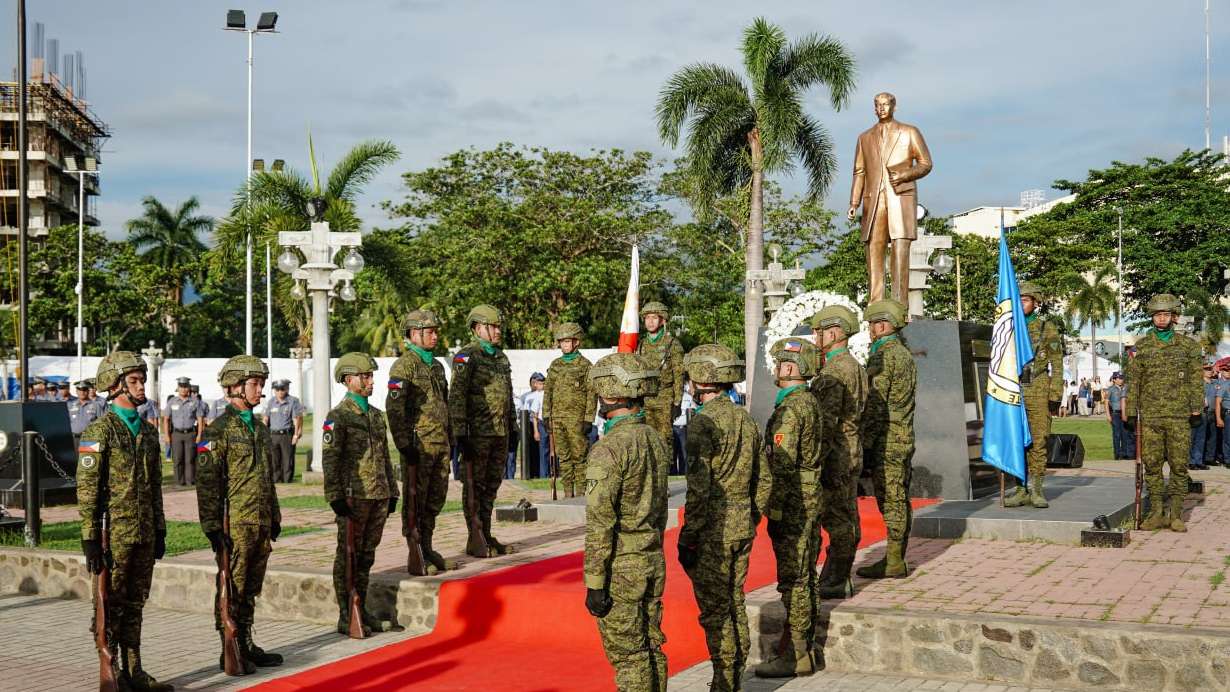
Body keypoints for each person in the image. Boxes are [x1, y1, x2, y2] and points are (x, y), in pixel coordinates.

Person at [76, 351, 172, 691]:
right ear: (115, 387)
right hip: (112, 534)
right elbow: (87, 489)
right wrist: (89, 537)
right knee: (109, 604)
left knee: (135, 603)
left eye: (142, 379)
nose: (142, 385)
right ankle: (110, 668)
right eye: (134, 380)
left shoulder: (147, 433)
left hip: (143, 531)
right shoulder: (98, 431)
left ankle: (135, 670)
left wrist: (160, 528)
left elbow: (156, 486)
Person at [678, 344, 769, 691]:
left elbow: (699, 490)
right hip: (742, 524)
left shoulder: (703, 423)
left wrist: (688, 537)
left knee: (716, 611)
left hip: (714, 531)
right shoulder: (745, 419)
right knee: (734, 600)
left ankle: (725, 680)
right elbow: (764, 478)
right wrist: (751, 514)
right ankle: (733, 675)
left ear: (702, 380)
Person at [583, 352, 670, 691]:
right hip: (651, 557)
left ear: (609, 394)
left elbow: (600, 524)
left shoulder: (608, 449)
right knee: (651, 647)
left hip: (621, 566)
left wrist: (594, 581)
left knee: (629, 657)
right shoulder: (654, 438)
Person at [196, 355, 284, 673]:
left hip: (258, 521)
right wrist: (211, 526)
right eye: (255, 384)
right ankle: (229, 648)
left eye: (261, 384)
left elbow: (267, 478)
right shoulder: (217, 431)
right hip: (234, 523)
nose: (260, 390)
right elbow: (206, 484)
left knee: (251, 588)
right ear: (234, 387)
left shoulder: (259, 429)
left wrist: (274, 516)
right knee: (230, 587)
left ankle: (245, 642)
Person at [755, 337, 824, 679]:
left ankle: (796, 654)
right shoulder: (807, 401)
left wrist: (774, 508)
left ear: (790, 367)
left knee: (794, 580)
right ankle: (804, 647)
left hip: (794, 502)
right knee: (805, 576)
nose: (777, 369)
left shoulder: (791, 408)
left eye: (782, 364)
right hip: (808, 497)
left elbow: (781, 464)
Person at [323, 352, 401, 635]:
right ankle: (347, 613)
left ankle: (361, 608)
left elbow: (384, 456)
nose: (370, 381)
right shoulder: (338, 417)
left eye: (371, 376)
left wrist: (392, 491)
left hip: (377, 495)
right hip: (353, 497)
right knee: (348, 556)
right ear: (348, 380)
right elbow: (330, 460)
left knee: (367, 555)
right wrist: (335, 496)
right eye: (365, 377)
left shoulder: (376, 416)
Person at [386, 309, 456, 574]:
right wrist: (404, 444)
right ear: (414, 334)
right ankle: (415, 551)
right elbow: (394, 408)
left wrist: (450, 436)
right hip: (418, 446)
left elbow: (444, 403)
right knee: (416, 500)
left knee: (435, 499)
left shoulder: (436, 366)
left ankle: (427, 546)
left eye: (436, 331)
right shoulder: (405, 366)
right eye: (430, 331)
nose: (435, 335)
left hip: (439, 443)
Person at [1125, 294, 1203, 532]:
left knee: (1179, 466)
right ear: (1152, 318)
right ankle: (1157, 512)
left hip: (1179, 416)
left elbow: (1196, 379)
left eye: (1166, 314)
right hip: (1150, 416)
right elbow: (1134, 380)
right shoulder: (1142, 346)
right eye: (1157, 315)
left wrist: (1196, 406)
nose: (1161, 318)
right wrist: (1130, 411)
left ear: (1174, 317)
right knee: (1152, 465)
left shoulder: (1188, 346)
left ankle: (1176, 513)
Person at [847, 91, 934, 305]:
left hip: (900, 198)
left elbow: (926, 163)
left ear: (894, 106)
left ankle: (899, 305)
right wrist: (854, 202)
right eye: (877, 105)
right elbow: (859, 171)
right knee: (874, 250)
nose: (881, 108)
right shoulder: (864, 137)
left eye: (885, 104)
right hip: (874, 202)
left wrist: (904, 174)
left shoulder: (909, 132)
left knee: (899, 251)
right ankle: (875, 304)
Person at [448, 304, 517, 557]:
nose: (498, 331)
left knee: (491, 486)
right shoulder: (467, 357)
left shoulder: (500, 357)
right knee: (474, 486)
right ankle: (474, 535)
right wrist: (460, 433)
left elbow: (507, 395)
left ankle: (485, 533)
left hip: (499, 431)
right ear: (478, 328)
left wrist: (513, 427)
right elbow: (457, 396)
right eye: (493, 327)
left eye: (499, 326)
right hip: (476, 433)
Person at [809, 304, 867, 600]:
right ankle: (836, 573)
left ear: (834, 333)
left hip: (837, 453)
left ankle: (837, 577)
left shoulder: (835, 370)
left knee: (838, 517)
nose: (815, 336)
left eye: (818, 331)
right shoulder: (852, 365)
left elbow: (827, 422)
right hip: (849, 447)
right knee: (845, 514)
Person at [858, 298, 917, 579]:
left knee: (891, 499)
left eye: (872, 324)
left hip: (887, 437)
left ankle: (894, 560)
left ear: (883, 325)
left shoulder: (883, 355)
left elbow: (875, 403)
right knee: (899, 497)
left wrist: (865, 444)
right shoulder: (904, 353)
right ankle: (896, 556)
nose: (870, 329)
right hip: (902, 434)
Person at [1003, 283, 1064, 509]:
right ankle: (1020, 489)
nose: (1021, 304)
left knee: (1038, 441)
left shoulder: (1046, 328)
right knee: (1016, 441)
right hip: (1013, 389)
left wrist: (1055, 394)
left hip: (1038, 388)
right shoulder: (1007, 327)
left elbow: (1057, 363)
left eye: (1026, 300)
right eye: (1018, 300)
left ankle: (1036, 489)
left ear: (1036, 303)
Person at [542, 322, 596, 498]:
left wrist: (589, 418)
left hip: (577, 420)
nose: (564, 345)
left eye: (568, 341)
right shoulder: (555, 365)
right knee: (563, 458)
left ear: (576, 342)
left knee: (579, 458)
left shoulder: (585, 365)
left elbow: (591, 393)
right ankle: (567, 493)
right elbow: (548, 391)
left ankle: (580, 495)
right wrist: (546, 415)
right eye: (562, 342)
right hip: (557, 419)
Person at [636, 301, 685, 444]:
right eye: (647, 318)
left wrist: (677, 402)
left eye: (654, 318)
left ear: (662, 320)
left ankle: (666, 467)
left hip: (665, 398)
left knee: (664, 440)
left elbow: (679, 374)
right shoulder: (641, 345)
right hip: (645, 400)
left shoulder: (672, 344)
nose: (650, 322)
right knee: (647, 439)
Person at [164, 377, 204, 486]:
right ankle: (178, 482)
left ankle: (190, 481)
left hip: (190, 434)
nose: (183, 389)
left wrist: (200, 434)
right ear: (177, 388)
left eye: (185, 387)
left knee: (190, 459)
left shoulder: (195, 402)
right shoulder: (172, 401)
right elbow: (166, 419)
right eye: (181, 387)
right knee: (177, 459)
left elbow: (200, 419)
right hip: (176, 434)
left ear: (189, 388)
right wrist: (166, 435)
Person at [264, 380, 304, 483]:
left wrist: (296, 435)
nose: (280, 392)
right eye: (277, 389)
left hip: (286, 435)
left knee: (287, 459)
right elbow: (266, 418)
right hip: (273, 435)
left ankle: (287, 480)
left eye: (282, 389)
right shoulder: (271, 402)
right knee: (274, 459)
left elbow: (297, 418)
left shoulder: (293, 401)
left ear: (287, 389)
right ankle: (276, 480)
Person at [1190, 364, 1217, 471]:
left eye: (1210, 369)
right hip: (1195, 412)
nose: (1209, 371)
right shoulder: (1196, 384)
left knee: (1201, 439)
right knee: (1192, 438)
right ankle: (1191, 461)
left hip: (1206, 413)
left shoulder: (1214, 383)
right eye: (1206, 369)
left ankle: (1199, 461)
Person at [523, 373, 549, 478]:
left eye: (543, 383)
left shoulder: (548, 394)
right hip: (542, 424)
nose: (542, 385)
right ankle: (543, 475)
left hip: (551, 424)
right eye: (540, 383)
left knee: (551, 451)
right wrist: (536, 431)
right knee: (542, 451)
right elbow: (534, 415)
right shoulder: (535, 396)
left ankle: (549, 473)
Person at [69, 380, 104, 447]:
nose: (82, 392)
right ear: (76, 391)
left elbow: (102, 424)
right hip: (73, 439)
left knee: (89, 457)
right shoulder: (70, 405)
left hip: (90, 439)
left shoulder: (96, 405)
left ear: (88, 391)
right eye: (79, 389)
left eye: (84, 389)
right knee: (74, 457)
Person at [671, 384, 693, 475]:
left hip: (684, 428)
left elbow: (693, 408)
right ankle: (672, 473)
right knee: (672, 451)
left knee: (683, 452)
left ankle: (683, 472)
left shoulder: (689, 396)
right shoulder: (671, 398)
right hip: (673, 427)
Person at [1106, 372, 1128, 460]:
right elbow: (1106, 402)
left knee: (1124, 434)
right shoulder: (1110, 389)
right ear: (1114, 379)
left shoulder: (1125, 388)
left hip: (1124, 413)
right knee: (1116, 434)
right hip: (1115, 414)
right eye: (1119, 378)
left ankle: (1124, 453)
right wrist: (1108, 415)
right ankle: (1117, 454)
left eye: (1122, 378)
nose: (1121, 380)